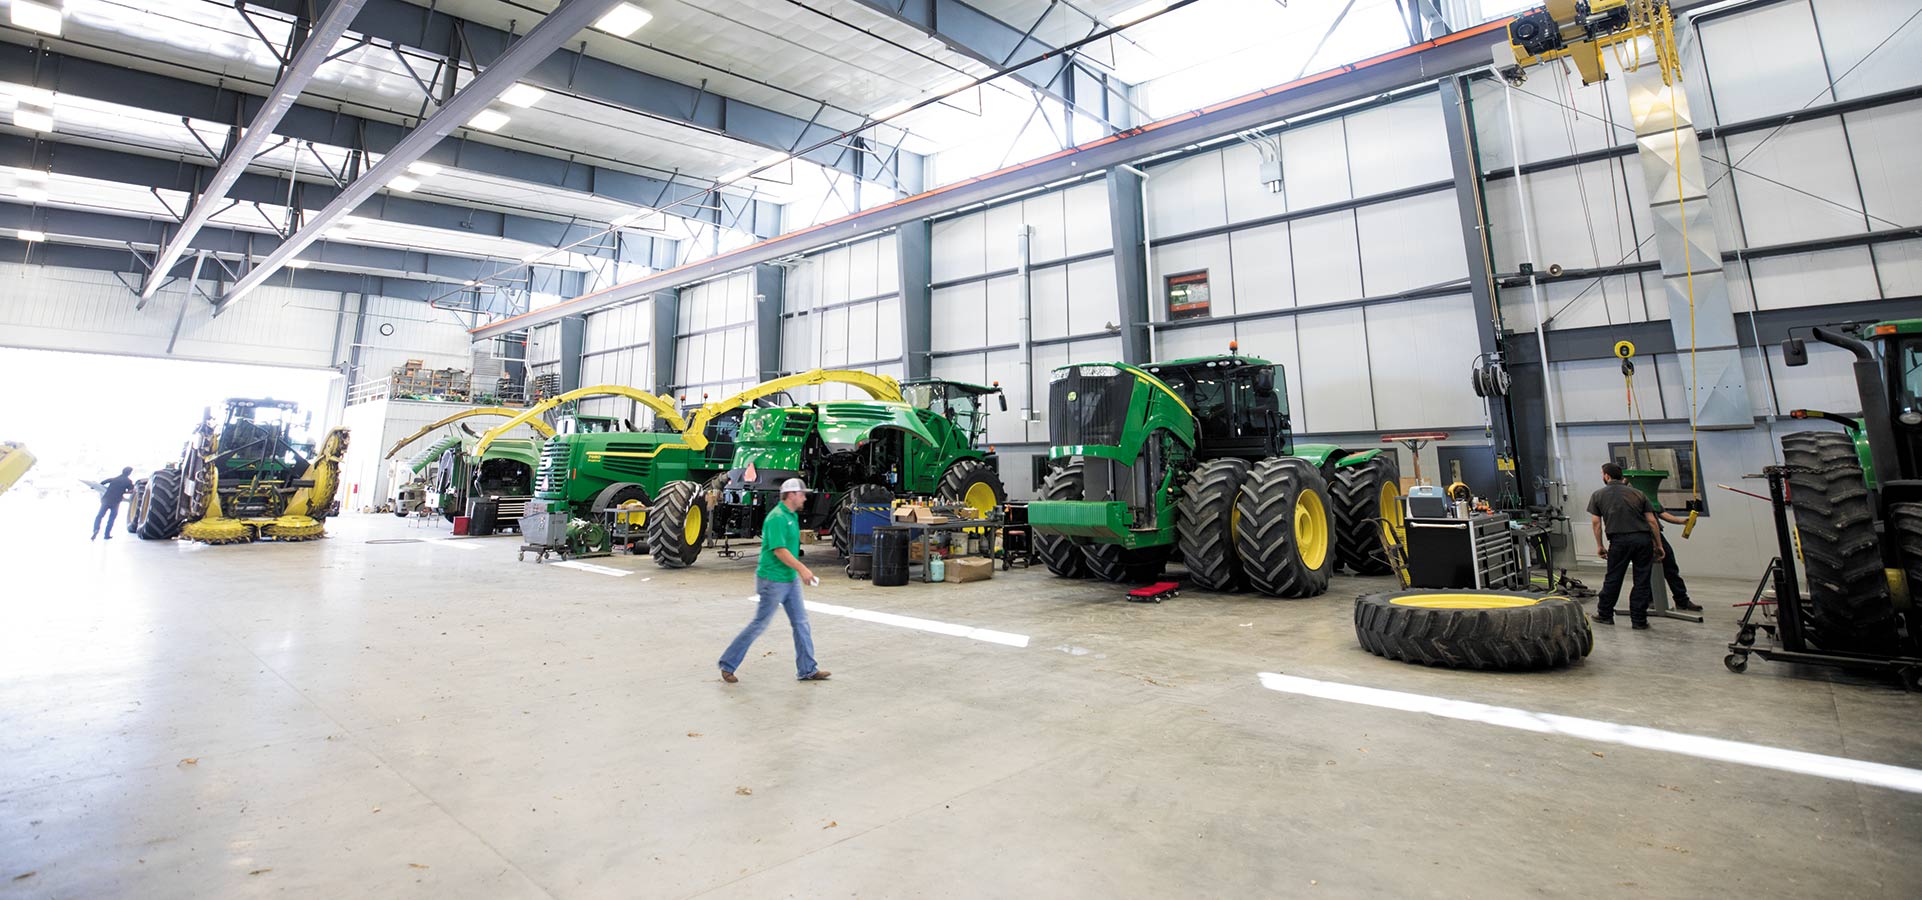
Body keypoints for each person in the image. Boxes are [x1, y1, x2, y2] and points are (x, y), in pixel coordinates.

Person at [718, 478, 830, 683]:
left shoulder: (791, 516)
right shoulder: (777, 517)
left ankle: (807, 669)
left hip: (789, 578)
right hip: (772, 580)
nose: (805, 497)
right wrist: (803, 569)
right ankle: (727, 664)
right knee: (759, 624)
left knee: (801, 623)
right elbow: (779, 550)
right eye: (802, 494)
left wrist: (797, 572)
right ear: (791, 495)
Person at [1587, 462, 1664, 629]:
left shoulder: (1598, 495)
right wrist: (1658, 545)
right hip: (1643, 540)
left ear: (1606, 476)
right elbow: (1652, 521)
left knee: (1613, 578)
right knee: (1642, 580)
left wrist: (1599, 545)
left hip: (1619, 541)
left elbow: (1596, 524)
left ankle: (1605, 614)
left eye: (1602, 474)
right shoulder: (1638, 494)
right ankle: (1639, 621)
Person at [1656, 510, 1703, 612]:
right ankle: (1649, 600)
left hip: (1655, 532)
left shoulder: (1650, 496)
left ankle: (1682, 600)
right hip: (1640, 532)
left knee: (1670, 566)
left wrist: (1681, 521)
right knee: (1645, 570)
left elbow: (1660, 512)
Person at [92, 466, 135, 540]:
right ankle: (106, 535)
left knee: (99, 516)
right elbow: (131, 491)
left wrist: (94, 486)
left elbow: (102, 483)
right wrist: (123, 491)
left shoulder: (114, 479)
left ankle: (96, 529)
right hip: (116, 502)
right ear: (129, 473)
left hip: (106, 500)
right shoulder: (128, 481)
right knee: (111, 518)